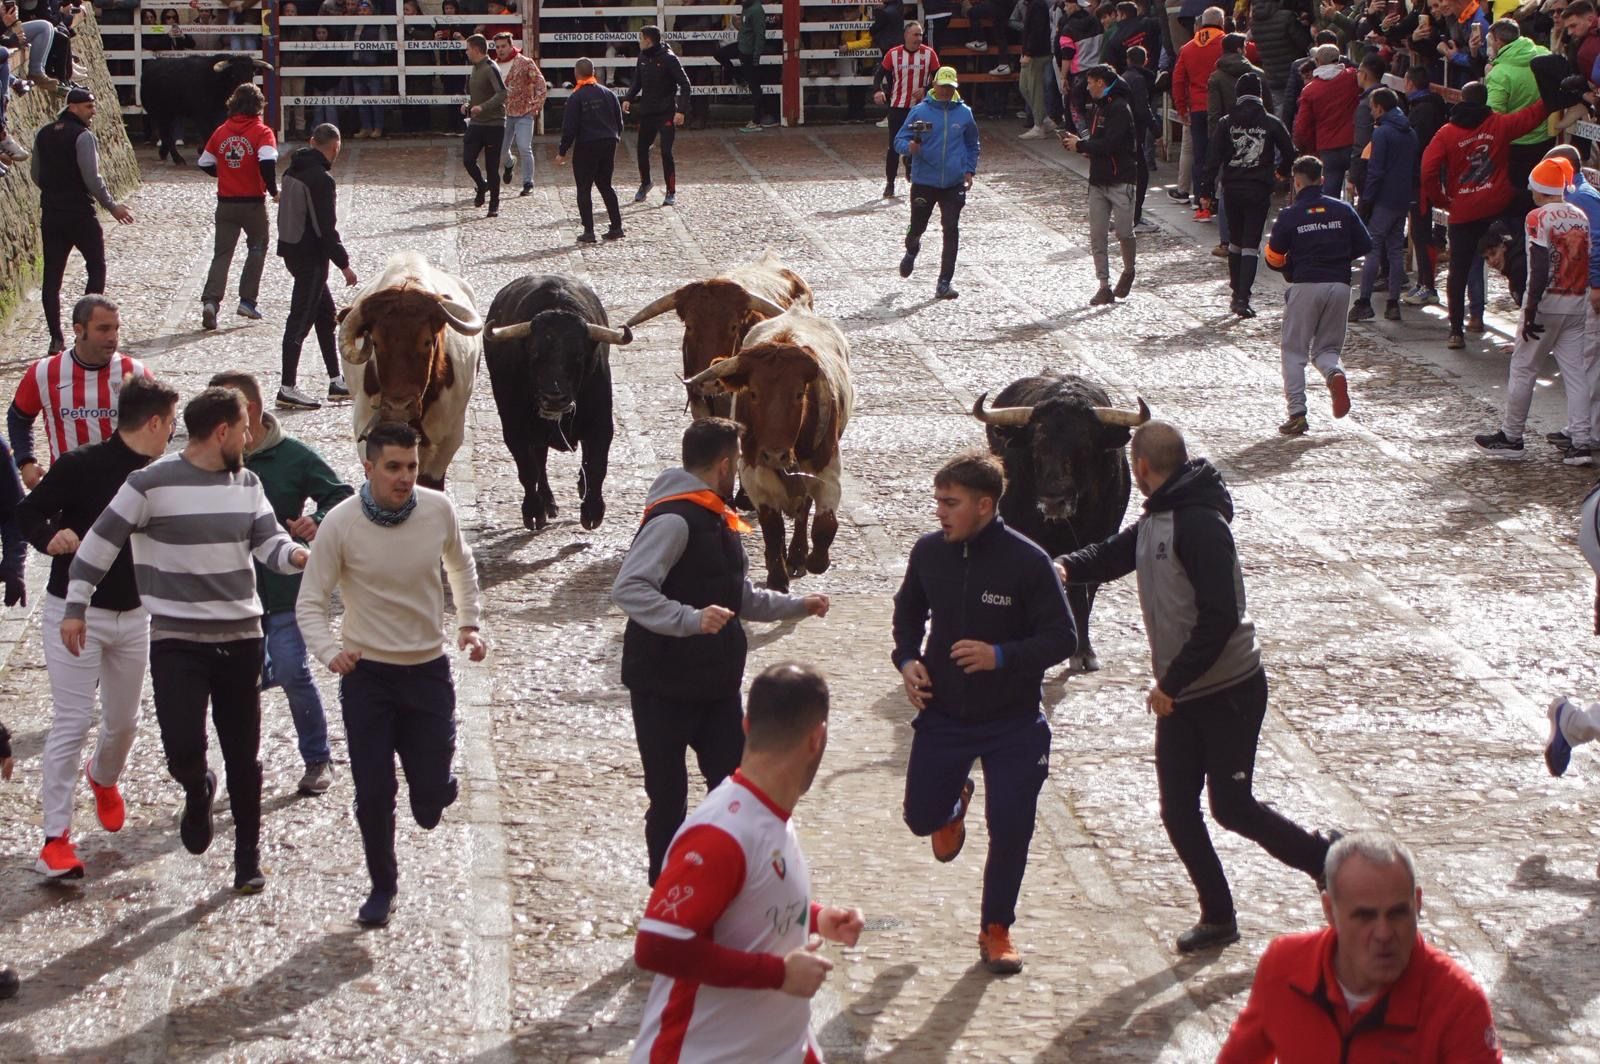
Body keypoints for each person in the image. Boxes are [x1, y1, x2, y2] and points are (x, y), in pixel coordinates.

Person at [1057, 422, 1338, 952]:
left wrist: (1172, 683)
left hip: (1230, 690)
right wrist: (1063, 568)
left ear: (1140, 468)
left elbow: (1220, 618)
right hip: (1183, 696)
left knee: (1231, 806)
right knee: (1178, 809)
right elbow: (1113, 555)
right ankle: (1218, 915)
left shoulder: (1202, 525)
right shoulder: (1155, 520)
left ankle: (1323, 859)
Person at [63, 387, 310, 895]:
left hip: (241, 637)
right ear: (222, 431)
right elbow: (99, 544)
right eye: (244, 429)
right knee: (181, 747)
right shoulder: (149, 483)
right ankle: (197, 790)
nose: (249, 437)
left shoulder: (248, 483)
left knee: (244, 755)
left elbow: (269, 544)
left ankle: (248, 858)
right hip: (178, 639)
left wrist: (298, 556)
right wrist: (75, 606)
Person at [611, 418, 828, 885]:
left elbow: (738, 595)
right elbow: (629, 588)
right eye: (742, 465)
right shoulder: (675, 519)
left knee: (734, 792)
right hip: (662, 689)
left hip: (715, 688)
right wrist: (689, 619)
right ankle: (666, 896)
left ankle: (728, 886)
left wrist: (797, 606)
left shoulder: (719, 517)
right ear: (726, 465)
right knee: (668, 800)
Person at [893, 452, 1075, 974]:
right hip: (944, 714)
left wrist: (1001, 656)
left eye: (950, 504)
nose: (940, 513)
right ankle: (952, 807)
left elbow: (1063, 637)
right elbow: (907, 616)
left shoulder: (1028, 562)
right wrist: (907, 660)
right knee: (920, 818)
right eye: (938, 502)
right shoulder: (929, 553)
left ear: (984, 504)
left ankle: (997, 928)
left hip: (1014, 723)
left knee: (1011, 827)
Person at [297, 421, 484, 927]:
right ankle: (383, 886)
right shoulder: (340, 524)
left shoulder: (437, 510)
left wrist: (469, 623)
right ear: (369, 468)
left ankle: (437, 787)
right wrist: (328, 651)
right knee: (374, 792)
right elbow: (310, 601)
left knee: (427, 805)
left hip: (427, 672)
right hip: (368, 677)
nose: (405, 478)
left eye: (412, 467)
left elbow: (461, 566)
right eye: (394, 468)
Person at [629, 663, 864, 1062]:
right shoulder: (724, 832)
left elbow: (746, 909)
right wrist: (779, 975)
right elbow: (657, 945)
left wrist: (817, 918)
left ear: (746, 724)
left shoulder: (769, 815)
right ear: (817, 738)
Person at [18, 374, 176, 880]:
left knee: (124, 723)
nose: (174, 433)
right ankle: (55, 839)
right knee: (72, 720)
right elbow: (26, 514)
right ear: (153, 423)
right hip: (72, 612)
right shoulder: (79, 465)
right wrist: (50, 536)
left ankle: (103, 778)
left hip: (134, 616)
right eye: (171, 424)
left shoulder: (167, 474)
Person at [1219, 832, 1502, 1061]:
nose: (1383, 933)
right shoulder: (1284, 967)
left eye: (1398, 913)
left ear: (1417, 904)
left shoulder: (1458, 1005)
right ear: (1330, 911)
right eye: (1365, 916)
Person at [211, 371, 352, 796]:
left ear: (249, 412)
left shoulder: (293, 456)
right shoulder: (208, 462)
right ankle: (234, 771)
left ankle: (316, 758)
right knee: (240, 682)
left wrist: (318, 520)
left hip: (286, 589)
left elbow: (341, 494)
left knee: (292, 669)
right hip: (230, 598)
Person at [1473, 158, 1594, 461]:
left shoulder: (1536, 218)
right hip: (1577, 303)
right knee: (1576, 374)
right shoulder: (1580, 216)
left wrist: (1529, 311)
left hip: (1545, 303)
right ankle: (1581, 442)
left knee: (1523, 368)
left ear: (1539, 190)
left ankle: (1512, 436)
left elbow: (1538, 266)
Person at [1419, 81, 1547, 349]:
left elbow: (1428, 170)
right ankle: (1504, 313)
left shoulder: (1447, 133)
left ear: (1460, 101)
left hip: (1463, 209)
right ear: (1486, 99)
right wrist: (1551, 97)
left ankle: (1456, 331)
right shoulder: (1498, 124)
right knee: (1521, 242)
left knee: (1459, 271)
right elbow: (1532, 117)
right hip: (1498, 202)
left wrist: (1443, 199)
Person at [1264, 155, 1372, 436]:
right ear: (1322, 180)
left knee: (1294, 351)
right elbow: (1365, 244)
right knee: (1327, 349)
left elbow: (1273, 257)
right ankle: (1335, 374)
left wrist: (1289, 264)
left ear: (1296, 183)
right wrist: (1338, 255)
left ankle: (1297, 413)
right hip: (1339, 286)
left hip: (1306, 285)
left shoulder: (1290, 215)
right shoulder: (1343, 210)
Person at [7, 294, 150, 491]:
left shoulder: (135, 372)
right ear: (78, 330)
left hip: (124, 491)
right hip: (68, 490)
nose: (112, 337)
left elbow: (164, 422)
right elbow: (18, 418)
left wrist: (141, 457)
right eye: (103, 329)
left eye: (116, 329)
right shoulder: (44, 372)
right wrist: (26, 462)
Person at [31, 86, 133, 358]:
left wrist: (55, 190)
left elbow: (36, 175)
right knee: (96, 266)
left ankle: (55, 337)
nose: (93, 110)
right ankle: (86, 328)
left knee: (52, 277)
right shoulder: (83, 136)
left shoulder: (42, 133)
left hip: (52, 212)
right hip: (79, 212)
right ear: (73, 107)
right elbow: (93, 178)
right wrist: (112, 206)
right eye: (88, 106)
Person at [276, 123, 356, 411]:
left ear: (312, 142)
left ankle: (336, 381)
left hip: (292, 252)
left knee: (325, 318)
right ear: (335, 148)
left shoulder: (291, 170)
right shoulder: (320, 180)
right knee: (298, 323)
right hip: (311, 258)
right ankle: (287, 387)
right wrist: (344, 264)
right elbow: (326, 229)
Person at [1203, 70, 1294, 318]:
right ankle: (1244, 296)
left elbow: (1213, 158)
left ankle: (1235, 292)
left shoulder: (1226, 122)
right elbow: (1290, 152)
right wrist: (1280, 173)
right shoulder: (1271, 122)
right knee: (1251, 244)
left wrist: (1206, 190)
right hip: (1258, 188)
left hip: (1232, 187)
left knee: (1234, 241)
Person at [893, 65, 980, 300]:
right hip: (925, 181)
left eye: (950, 88)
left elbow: (973, 144)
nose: (945, 92)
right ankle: (912, 248)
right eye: (942, 87)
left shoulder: (964, 114)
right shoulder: (920, 112)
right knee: (917, 226)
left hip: (953, 183)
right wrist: (908, 148)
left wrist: (969, 170)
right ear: (934, 86)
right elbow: (900, 138)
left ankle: (944, 281)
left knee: (951, 229)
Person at [197, 83, 277, 332]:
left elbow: (205, 162)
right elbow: (266, 162)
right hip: (252, 203)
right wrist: (273, 190)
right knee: (257, 246)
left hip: (226, 202)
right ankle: (247, 300)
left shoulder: (222, 131)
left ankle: (211, 301)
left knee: (222, 254)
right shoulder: (262, 132)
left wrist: (226, 175)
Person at [1063, 63, 1138, 306]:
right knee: (1097, 236)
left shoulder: (1120, 108)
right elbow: (1099, 142)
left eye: (1090, 82)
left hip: (1121, 179)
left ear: (1101, 83)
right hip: (1098, 181)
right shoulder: (1099, 108)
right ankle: (1103, 285)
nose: (1087, 86)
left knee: (1124, 232)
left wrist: (1082, 146)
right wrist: (1082, 146)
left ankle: (1128, 270)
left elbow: (1111, 144)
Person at [1350, 87, 1418, 323]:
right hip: (1402, 198)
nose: (1370, 111)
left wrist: (1367, 200)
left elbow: (1376, 171)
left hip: (1383, 199)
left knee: (1373, 248)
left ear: (1379, 107)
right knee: (1395, 249)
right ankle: (1393, 303)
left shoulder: (1382, 134)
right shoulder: (1410, 132)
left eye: (1372, 107)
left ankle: (1364, 301)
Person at [556, 57, 624, 244]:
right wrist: (615, 138)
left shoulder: (576, 97)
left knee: (584, 188)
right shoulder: (608, 94)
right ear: (593, 72)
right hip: (608, 142)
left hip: (587, 144)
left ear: (576, 74)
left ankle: (589, 230)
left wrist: (563, 151)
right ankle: (617, 226)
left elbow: (569, 128)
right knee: (605, 185)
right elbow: (619, 122)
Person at [622, 24, 690, 206]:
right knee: (641, 149)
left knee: (666, 152)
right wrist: (628, 98)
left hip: (666, 112)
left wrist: (681, 110)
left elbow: (685, 84)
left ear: (648, 40)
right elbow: (637, 82)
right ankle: (645, 183)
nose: (638, 41)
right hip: (648, 112)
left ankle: (671, 190)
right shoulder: (642, 57)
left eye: (640, 38)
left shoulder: (669, 59)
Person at [1171, 7, 1226, 219]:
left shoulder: (1188, 48)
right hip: (1220, 109)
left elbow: (1178, 81)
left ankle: (1200, 199)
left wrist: (1181, 107)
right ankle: (1218, 198)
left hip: (1196, 108)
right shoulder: (1226, 43)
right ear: (1221, 22)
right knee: (1222, 154)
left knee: (1199, 155)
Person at [874, 20, 939, 198]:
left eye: (921, 35)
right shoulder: (893, 54)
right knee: (894, 146)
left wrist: (926, 90)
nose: (919, 38)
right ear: (906, 35)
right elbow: (878, 75)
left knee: (923, 143)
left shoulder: (929, 54)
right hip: (898, 107)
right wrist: (878, 91)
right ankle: (890, 183)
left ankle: (918, 174)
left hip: (922, 109)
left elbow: (940, 79)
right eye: (915, 34)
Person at [1400, 65, 1448, 308]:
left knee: (1421, 231)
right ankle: (1424, 282)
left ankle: (1428, 285)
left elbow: (1417, 146)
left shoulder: (1422, 112)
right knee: (1419, 231)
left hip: (1422, 180)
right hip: (1423, 177)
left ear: (1409, 83)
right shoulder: (1428, 107)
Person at [1293, 43, 1359, 196]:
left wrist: (1308, 149)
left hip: (1327, 147)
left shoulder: (1310, 90)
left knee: (1330, 192)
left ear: (1317, 61)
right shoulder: (1352, 77)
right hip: (1353, 143)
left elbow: (1302, 126)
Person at [491, 30, 546, 198]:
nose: (500, 50)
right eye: (497, 47)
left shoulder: (524, 62)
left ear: (511, 45)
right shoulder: (493, 65)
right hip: (503, 113)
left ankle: (528, 182)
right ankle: (509, 163)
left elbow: (540, 83)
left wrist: (536, 105)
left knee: (524, 147)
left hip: (523, 111)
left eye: (503, 46)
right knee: (501, 149)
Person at [461, 33, 506, 218]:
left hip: (494, 124)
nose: (466, 52)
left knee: (492, 165)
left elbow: (502, 93)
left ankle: (494, 203)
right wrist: (469, 105)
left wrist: (483, 107)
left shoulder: (490, 67)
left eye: (468, 49)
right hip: (477, 123)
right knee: (468, 159)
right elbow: (478, 94)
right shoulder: (475, 68)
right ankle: (482, 185)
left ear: (476, 50)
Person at [716, 0, 768, 132]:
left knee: (754, 85)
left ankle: (757, 120)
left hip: (749, 52)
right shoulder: (746, 8)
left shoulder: (756, 10)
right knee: (719, 54)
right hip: (742, 47)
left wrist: (756, 54)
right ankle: (738, 77)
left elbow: (760, 34)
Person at [1017, 0, 1053, 138]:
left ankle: (1039, 124)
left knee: (1033, 89)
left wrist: (1029, 52)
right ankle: (1043, 119)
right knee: (1026, 87)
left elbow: (1036, 31)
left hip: (1035, 54)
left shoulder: (1037, 5)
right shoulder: (1035, 4)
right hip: (1033, 52)